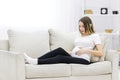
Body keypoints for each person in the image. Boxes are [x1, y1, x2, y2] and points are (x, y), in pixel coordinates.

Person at [24, 16, 103, 65]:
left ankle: (36, 62)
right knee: (59, 50)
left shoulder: (94, 36)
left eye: (83, 26)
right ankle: (36, 60)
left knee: (60, 57)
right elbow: (76, 48)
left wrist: (85, 51)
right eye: (79, 26)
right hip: (74, 55)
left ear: (90, 25)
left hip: (84, 60)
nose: (81, 28)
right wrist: (72, 52)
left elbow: (100, 53)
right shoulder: (79, 35)